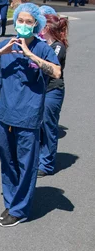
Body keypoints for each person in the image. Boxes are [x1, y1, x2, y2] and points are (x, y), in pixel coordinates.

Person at [0, 3, 61, 227]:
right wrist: (0, 51)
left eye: (28, 22)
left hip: (28, 115)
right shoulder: (6, 45)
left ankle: (20, 209)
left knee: (26, 162)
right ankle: (11, 200)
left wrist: (30, 54)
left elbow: (57, 72)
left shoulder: (41, 48)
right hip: (5, 113)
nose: (23, 25)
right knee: (8, 160)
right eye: (20, 21)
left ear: (36, 25)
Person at [38, 14, 68, 178]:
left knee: (49, 126)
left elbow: (49, 66)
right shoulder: (43, 45)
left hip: (52, 91)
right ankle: (39, 158)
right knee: (39, 126)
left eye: (41, 26)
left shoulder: (58, 47)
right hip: (40, 90)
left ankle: (47, 164)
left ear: (47, 28)